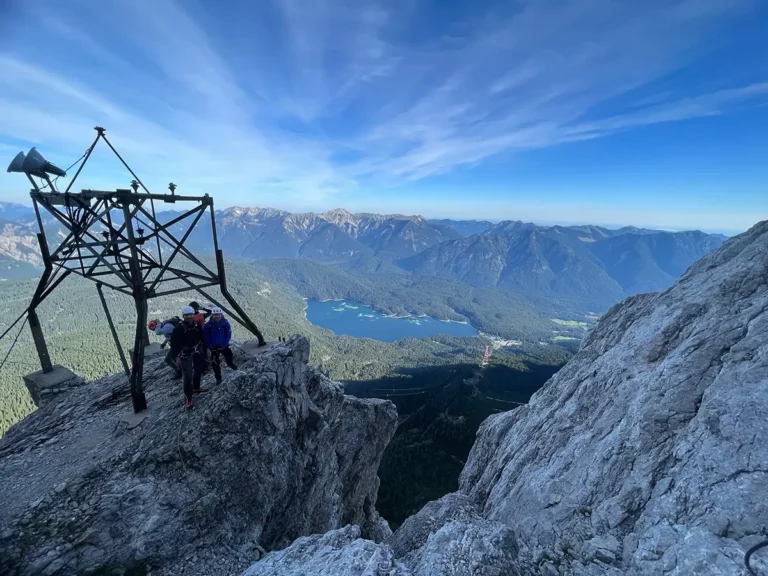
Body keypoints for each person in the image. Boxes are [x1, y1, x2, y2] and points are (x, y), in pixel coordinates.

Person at [170, 306, 208, 409]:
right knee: (187, 377)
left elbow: (202, 337)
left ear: (193, 314)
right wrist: (177, 356)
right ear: (183, 316)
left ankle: (196, 387)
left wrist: (205, 349)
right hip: (185, 353)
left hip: (197, 349)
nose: (189, 317)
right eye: (187, 315)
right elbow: (174, 344)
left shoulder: (197, 324)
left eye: (190, 314)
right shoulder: (179, 328)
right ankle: (188, 399)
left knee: (199, 369)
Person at [203, 307, 238, 384]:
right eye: (215, 315)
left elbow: (228, 336)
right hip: (213, 348)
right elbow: (206, 338)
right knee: (215, 363)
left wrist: (223, 345)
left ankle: (230, 364)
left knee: (229, 354)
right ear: (212, 315)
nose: (217, 316)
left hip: (222, 345)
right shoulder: (207, 326)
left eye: (218, 314)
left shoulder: (225, 324)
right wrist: (211, 347)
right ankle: (218, 378)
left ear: (221, 315)